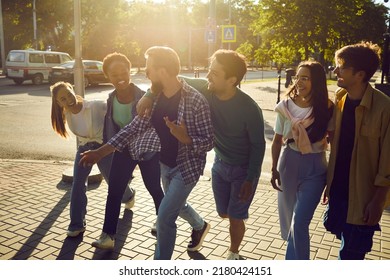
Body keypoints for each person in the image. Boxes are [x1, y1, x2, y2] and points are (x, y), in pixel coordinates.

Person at [79, 46, 214, 259]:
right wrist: (100, 152)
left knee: (165, 217)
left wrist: (186, 138)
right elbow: (134, 127)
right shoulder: (156, 98)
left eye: (149, 68)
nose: (146, 72)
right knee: (177, 207)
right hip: (165, 166)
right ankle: (199, 224)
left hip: (186, 168)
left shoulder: (195, 100)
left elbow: (209, 142)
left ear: (161, 70)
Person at [139, 49, 265, 260]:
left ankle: (233, 253)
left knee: (235, 216)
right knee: (222, 213)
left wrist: (251, 178)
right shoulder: (207, 89)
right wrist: (148, 95)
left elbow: (258, 146)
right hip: (220, 164)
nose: (208, 76)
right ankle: (201, 224)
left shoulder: (250, 108)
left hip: (243, 170)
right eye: (209, 70)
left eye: (214, 73)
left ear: (231, 80)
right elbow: (169, 78)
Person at [90, 52, 164, 250]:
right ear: (107, 76)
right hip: (123, 151)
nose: (120, 76)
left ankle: (162, 223)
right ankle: (108, 235)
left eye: (124, 71)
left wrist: (102, 151)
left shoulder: (144, 96)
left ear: (130, 71)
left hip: (146, 151)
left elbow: (138, 128)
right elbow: (111, 128)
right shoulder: (110, 98)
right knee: (114, 192)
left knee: (154, 189)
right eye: (114, 74)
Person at [323, 41, 390, 260]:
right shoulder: (340, 99)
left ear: (359, 75)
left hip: (364, 198)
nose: (335, 71)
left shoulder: (384, 108)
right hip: (339, 192)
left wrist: (378, 200)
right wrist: (329, 183)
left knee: (351, 255)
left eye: (341, 67)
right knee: (344, 243)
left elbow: (388, 162)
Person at [50, 81, 135, 238]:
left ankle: (129, 196)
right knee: (78, 184)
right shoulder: (65, 114)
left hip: (102, 148)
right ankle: (76, 224)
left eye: (68, 93)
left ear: (72, 89)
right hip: (84, 149)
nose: (68, 99)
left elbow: (116, 114)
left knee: (113, 182)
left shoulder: (95, 105)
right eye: (62, 98)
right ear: (58, 102)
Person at [270, 61, 334, 260]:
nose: (299, 82)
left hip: (315, 169)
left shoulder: (327, 108)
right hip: (288, 163)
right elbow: (277, 140)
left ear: (317, 81)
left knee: (299, 223)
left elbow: (335, 142)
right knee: (290, 222)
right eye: (297, 77)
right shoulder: (285, 106)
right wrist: (273, 168)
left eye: (305, 78)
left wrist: (331, 179)